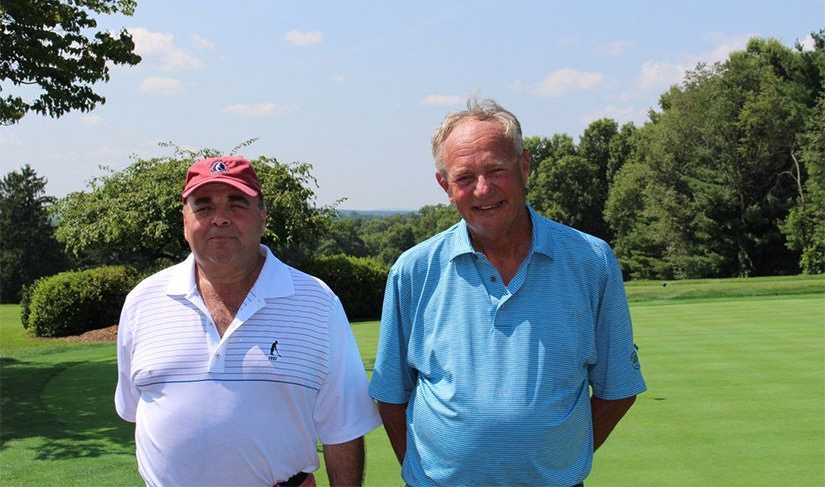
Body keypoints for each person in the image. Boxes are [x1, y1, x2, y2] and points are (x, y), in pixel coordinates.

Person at [368, 98, 646, 487]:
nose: (482, 190)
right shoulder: (413, 270)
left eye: (496, 170)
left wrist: (559, 460)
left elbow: (618, 389)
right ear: (445, 185)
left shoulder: (591, 260)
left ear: (525, 166)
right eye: (464, 177)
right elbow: (391, 398)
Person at [115, 156, 381, 486]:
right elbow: (136, 410)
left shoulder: (317, 302)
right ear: (184, 221)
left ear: (262, 218)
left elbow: (344, 427)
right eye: (203, 206)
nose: (220, 219)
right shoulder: (143, 302)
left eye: (237, 204)